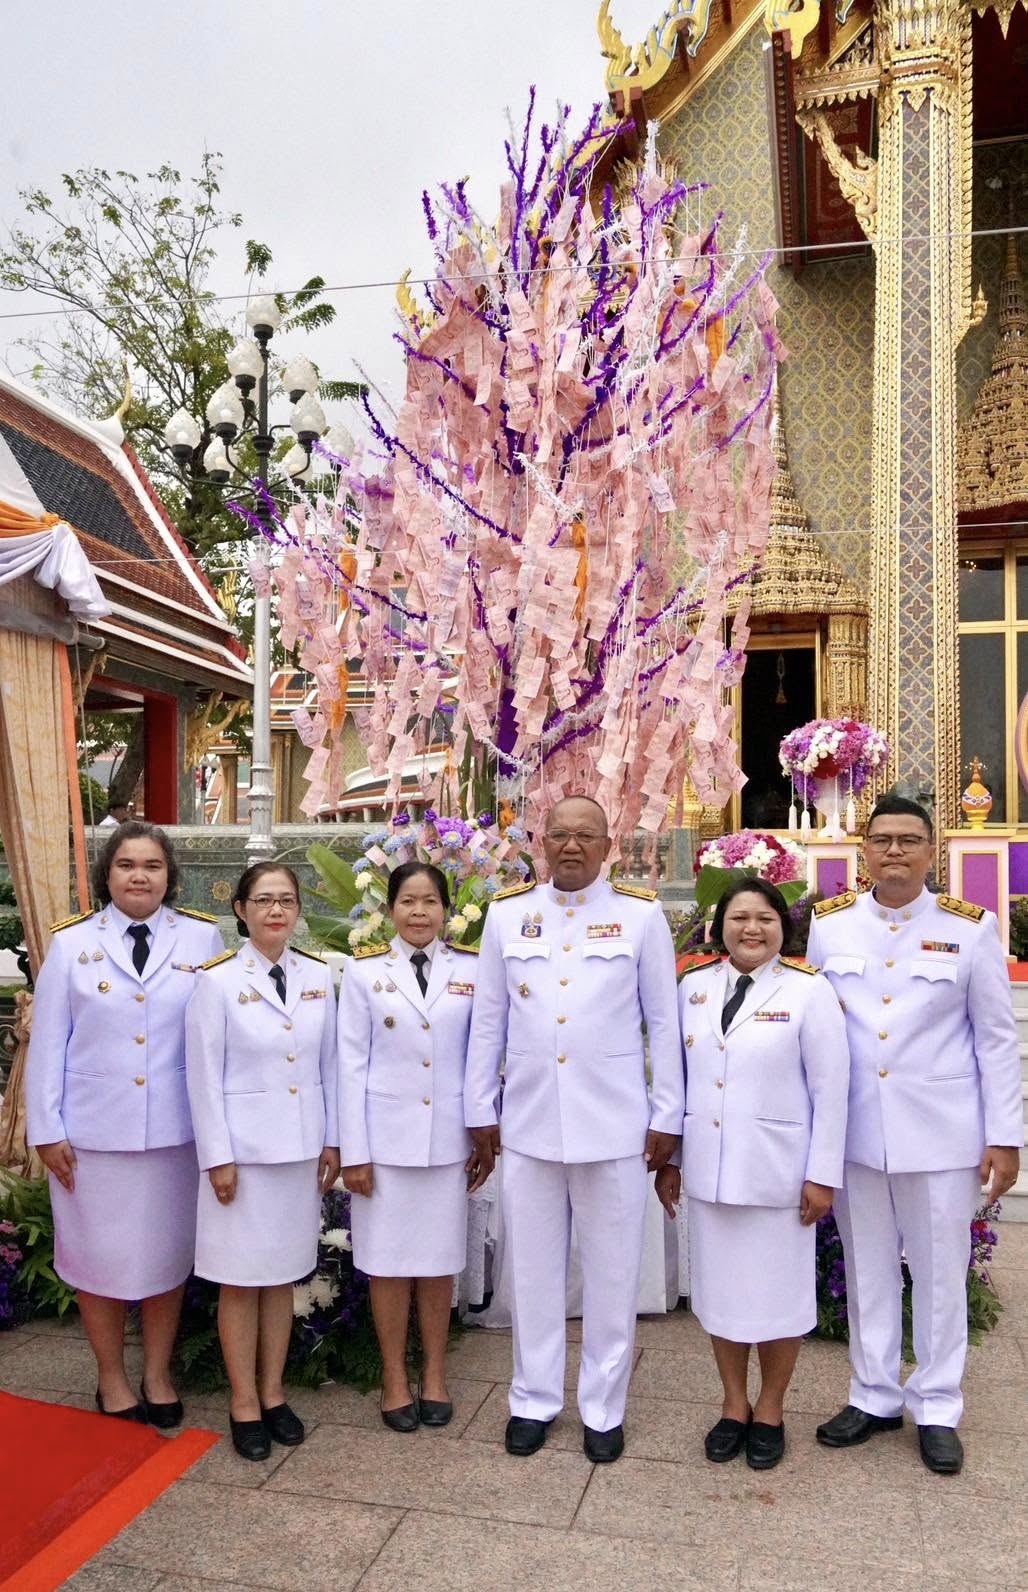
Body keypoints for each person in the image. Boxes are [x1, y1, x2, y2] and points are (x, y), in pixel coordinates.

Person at [464, 795, 684, 1464]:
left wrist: (667, 1114)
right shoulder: (507, 917)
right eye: (559, 833)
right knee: (533, 1274)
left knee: (612, 1275)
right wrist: (480, 1109)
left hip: (614, 1125)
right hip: (529, 1124)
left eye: (585, 835)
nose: (570, 846)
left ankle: (603, 1408)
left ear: (607, 844)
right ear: (541, 840)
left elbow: (664, 1022)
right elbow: (489, 1022)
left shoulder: (640, 918)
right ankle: (532, 1400)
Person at [807, 795, 1023, 1475]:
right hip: (857, 1131)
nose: (894, 851)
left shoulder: (970, 928)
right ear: (864, 851)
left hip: (940, 1132)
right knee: (867, 1266)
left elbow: (995, 1038)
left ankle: (936, 1404)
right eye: (882, 840)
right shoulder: (828, 925)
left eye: (908, 840)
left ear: (933, 852)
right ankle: (872, 1394)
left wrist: (1006, 1135)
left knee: (937, 1273)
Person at [25, 821, 223, 1424]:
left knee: (166, 1259)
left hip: (175, 1134)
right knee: (96, 1260)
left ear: (170, 876)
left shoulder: (201, 939)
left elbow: (217, 1040)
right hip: (92, 1137)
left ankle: (158, 1374)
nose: (140, 876)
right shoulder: (72, 945)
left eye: (153, 866)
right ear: (106, 875)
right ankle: (111, 1378)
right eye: (127, 865)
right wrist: (46, 1129)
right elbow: (48, 1045)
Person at [656, 878, 849, 1469]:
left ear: (783, 927)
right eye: (739, 918)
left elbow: (831, 1089)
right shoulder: (692, 986)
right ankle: (733, 1403)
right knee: (721, 1297)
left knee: (778, 1298)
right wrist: (672, 1159)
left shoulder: (810, 992)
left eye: (765, 918)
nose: (752, 929)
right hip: (712, 1174)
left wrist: (822, 1174)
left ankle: (771, 1408)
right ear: (719, 927)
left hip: (779, 1177)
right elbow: (679, 1081)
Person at [185, 863, 339, 1462]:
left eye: (287, 900)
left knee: (283, 1278)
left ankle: (274, 1393)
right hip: (242, 1160)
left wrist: (332, 1141)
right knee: (239, 1282)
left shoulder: (320, 976)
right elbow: (204, 1078)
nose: (276, 910)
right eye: (264, 900)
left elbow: (328, 1067)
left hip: (299, 1154)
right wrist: (217, 1157)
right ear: (242, 910)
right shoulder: (217, 980)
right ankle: (243, 1401)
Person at [337, 862, 478, 1432]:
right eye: (408, 901)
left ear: (446, 910)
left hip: (448, 1143)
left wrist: (481, 1131)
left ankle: (436, 1374)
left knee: (440, 1263)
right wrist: (354, 1152)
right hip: (385, 1145)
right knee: (388, 1265)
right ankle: (396, 1377)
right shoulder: (364, 973)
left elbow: (482, 1053)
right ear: (389, 909)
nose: (419, 912)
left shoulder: (471, 970)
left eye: (430, 902)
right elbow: (350, 1065)